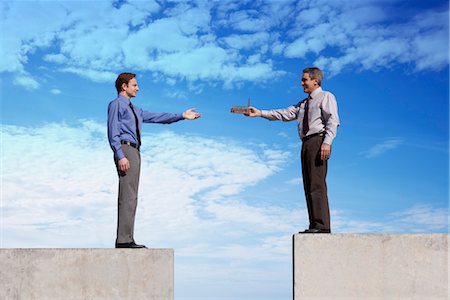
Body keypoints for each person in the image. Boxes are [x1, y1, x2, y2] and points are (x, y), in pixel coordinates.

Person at [108, 72, 201, 248]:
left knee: (132, 196)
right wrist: (120, 155)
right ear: (124, 86)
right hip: (125, 149)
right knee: (127, 195)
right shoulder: (116, 105)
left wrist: (181, 115)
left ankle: (128, 237)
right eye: (134, 85)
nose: (137, 88)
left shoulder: (136, 110)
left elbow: (159, 117)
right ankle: (123, 240)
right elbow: (113, 132)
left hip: (135, 151)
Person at [244, 67, 340, 233]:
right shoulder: (303, 104)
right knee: (309, 185)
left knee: (317, 184)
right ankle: (315, 225)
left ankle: (322, 226)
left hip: (318, 141)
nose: (301, 83)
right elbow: (284, 114)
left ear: (315, 81)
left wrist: (327, 142)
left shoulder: (326, 97)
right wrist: (260, 113)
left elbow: (333, 120)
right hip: (306, 144)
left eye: (305, 80)